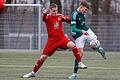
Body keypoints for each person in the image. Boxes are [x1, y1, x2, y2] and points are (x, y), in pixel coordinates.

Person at [22, 3, 82, 78]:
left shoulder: (60, 16)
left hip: (61, 38)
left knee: (73, 45)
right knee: (43, 57)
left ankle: (79, 62)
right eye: (53, 11)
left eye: (56, 10)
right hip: (52, 41)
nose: (55, 12)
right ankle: (33, 72)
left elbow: (70, 20)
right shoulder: (48, 17)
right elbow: (44, 19)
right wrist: (44, 14)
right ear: (50, 10)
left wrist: (76, 19)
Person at [69, 1, 106, 80]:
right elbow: (73, 28)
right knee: (80, 55)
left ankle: (99, 49)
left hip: (86, 30)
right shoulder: (74, 14)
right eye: (85, 10)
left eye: (86, 10)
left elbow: (83, 24)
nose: (86, 12)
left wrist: (85, 31)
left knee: (94, 43)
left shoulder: (83, 14)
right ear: (81, 7)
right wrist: (81, 31)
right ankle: (74, 74)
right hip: (78, 35)